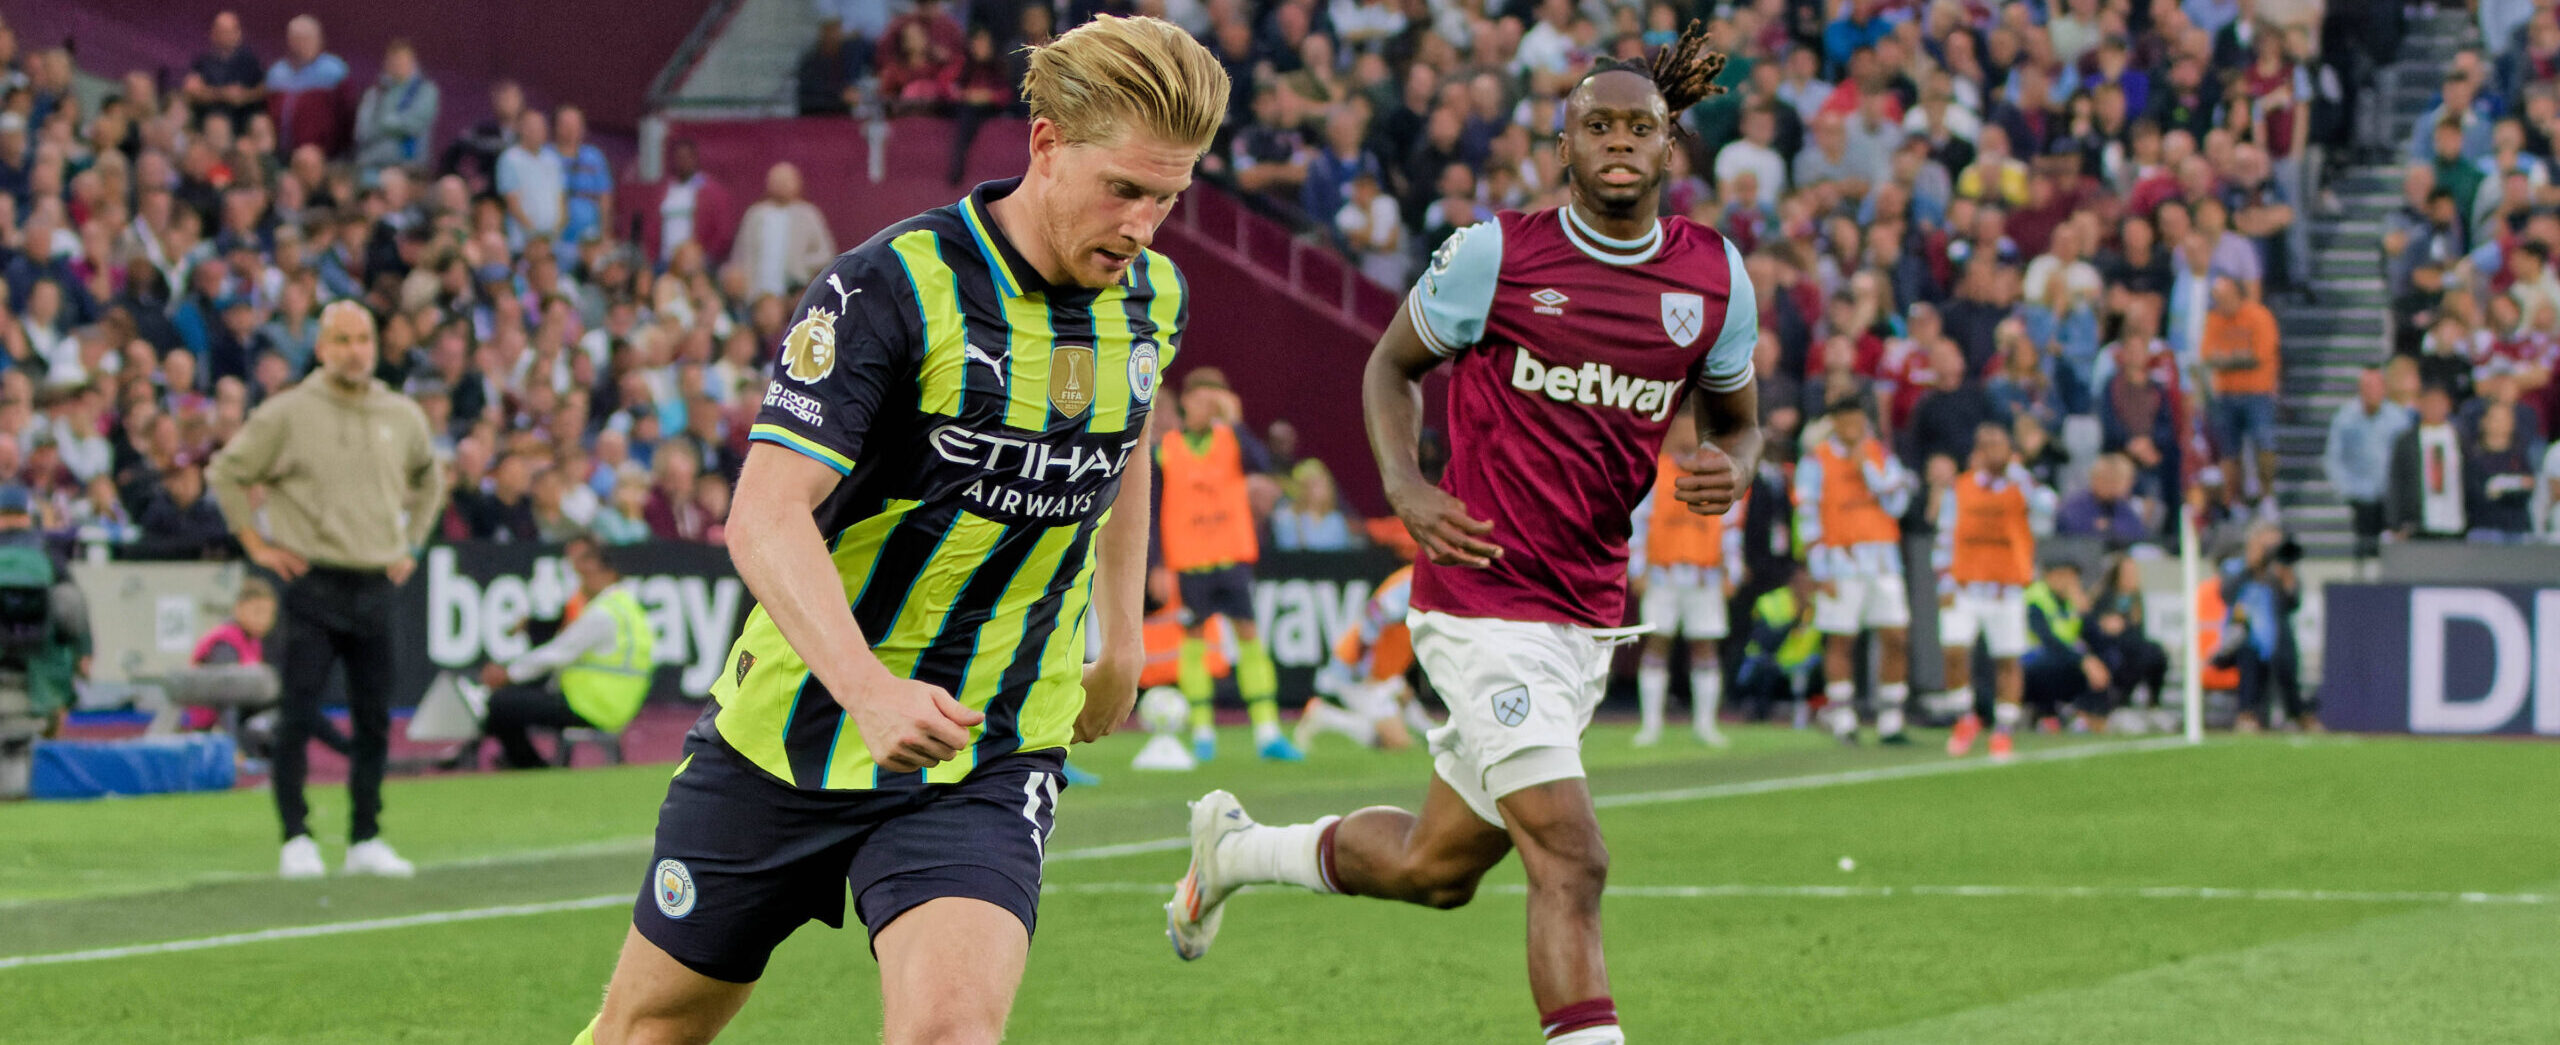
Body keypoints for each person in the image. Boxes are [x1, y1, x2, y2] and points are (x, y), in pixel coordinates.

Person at [570, 16, 1222, 1044]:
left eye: (1168, 197)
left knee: (948, 1032)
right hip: (792, 729)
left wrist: (1122, 626)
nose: (1143, 224)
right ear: (1046, 144)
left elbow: (1125, 436)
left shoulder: (1151, 295)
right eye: (1123, 189)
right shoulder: (889, 287)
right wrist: (866, 689)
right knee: (649, 1031)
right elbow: (764, 513)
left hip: (987, 746)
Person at [1168, 33, 1761, 1045]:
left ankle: (1231, 852)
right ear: (1561, 147)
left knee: (1435, 868)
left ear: (1669, 151)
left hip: (1582, 616)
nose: (1618, 142)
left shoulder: (1713, 277)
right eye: (1596, 126)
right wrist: (1404, 485)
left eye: (1639, 128)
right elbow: (1388, 367)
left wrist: (1732, 466)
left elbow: (1739, 420)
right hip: (1479, 601)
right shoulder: (1497, 254)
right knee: (1572, 858)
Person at [208, 301, 445, 880]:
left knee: (372, 719)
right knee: (298, 712)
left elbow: (430, 477)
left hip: (374, 580)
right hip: (312, 579)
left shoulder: (401, 413)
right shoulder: (287, 412)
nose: (355, 350)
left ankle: (366, 835)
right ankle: (296, 837)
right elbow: (227, 472)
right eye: (341, 339)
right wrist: (256, 545)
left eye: (363, 338)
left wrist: (412, 545)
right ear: (320, 347)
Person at [1156, 367, 1300, 761]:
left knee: (1249, 634)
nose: (1207, 407)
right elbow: (1152, 507)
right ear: (1186, 402)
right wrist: (1156, 561)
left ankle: (1267, 731)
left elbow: (1262, 466)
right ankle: (1202, 733)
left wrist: (1234, 422)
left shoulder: (1231, 440)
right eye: (1201, 399)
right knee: (1194, 641)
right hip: (1189, 561)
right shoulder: (1166, 448)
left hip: (1231, 556)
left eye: (1214, 401)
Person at [462, 537, 653, 770]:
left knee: (500, 703)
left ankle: (529, 765)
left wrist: (507, 674)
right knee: (514, 698)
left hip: (589, 704)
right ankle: (518, 761)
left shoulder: (604, 613)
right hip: (612, 704)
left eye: (587, 575)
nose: (582, 584)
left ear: (610, 574)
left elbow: (558, 652)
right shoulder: (628, 608)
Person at [1798, 395, 1917, 745]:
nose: (1853, 428)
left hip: (1883, 560)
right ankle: (1843, 715)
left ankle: (1891, 718)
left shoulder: (1880, 454)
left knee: (1895, 636)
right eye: (1846, 421)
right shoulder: (1815, 460)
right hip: (1841, 561)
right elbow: (1807, 516)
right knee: (1842, 638)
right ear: (1834, 422)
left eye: (1858, 422)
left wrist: (1869, 468)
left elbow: (1897, 505)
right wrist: (1820, 570)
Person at [1936, 422, 2052, 761]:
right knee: (1954, 650)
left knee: (2007, 658)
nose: (1992, 451)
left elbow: (2048, 510)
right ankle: (1964, 717)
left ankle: (2003, 729)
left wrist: (2019, 473)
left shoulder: (2022, 487)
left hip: (2006, 587)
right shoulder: (1961, 488)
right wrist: (1944, 581)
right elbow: (1945, 534)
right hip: (1965, 585)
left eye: (1998, 444)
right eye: (1985, 444)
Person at [1628, 404, 1743, 747]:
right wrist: (1637, 569)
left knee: (1705, 646)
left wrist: (1731, 571)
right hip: (1663, 573)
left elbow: (1731, 526)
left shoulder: (1718, 474)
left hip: (1704, 574)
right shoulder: (1655, 472)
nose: (1687, 437)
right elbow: (1638, 525)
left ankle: (1705, 725)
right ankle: (1651, 725)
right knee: (1656, 644)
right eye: (1681, 430)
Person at [1297, 563, 1434, 752]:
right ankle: (1326, 716)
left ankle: (1432, 736)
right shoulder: (1412, 583)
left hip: (1385, 671)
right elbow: (1374, 614)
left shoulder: (1423, 577)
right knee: (1398, 744)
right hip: (1361, 671)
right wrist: (1363, 667)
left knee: (1405, 696)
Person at [2199, 274, 2281, 508]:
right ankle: (2234, 501)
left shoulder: (2259, 316)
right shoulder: (2214, 319)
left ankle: (2267, 496)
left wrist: (2227, 359)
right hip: (2226, 393)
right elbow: (2208, 356)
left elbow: (2259, 356)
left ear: (2237, 294)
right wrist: (2237, 358)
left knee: (2265, 442)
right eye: (2216, 298)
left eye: (2223, 298)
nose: (2219, 303)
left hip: (2257, 392)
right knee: (2228, 451)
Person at [2322, 367, 2411, 568]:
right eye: (2367, 386)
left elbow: (2407, 457)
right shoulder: (2345, 418)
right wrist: (2345, 488)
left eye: (2376, 386)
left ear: (2385, 389)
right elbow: (2333, 457)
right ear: (2359, 389)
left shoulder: (2398, 419)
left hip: (2391, 495)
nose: (2372, 392)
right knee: (2363, 549)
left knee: (2394, 550)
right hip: (2360, 495)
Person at [723, 163, 838, 302]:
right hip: (757, 294)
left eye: (786, 181)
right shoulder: (756, 214)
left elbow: (826, 254)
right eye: (777, 181)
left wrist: (801, 265)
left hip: (793, 292)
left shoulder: (808, 214)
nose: (781, 185)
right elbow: (740, 254)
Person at [2019, 559, 2109, 730]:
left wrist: (2085, 613)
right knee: (2056, 662)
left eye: (2072, 577)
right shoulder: (2035, 598)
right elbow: (2047, 639)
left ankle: (2089, 716)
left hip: (2066, 658)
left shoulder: (2071, 601)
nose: (2068, 581)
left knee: (2104, 661)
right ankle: (2047, 713)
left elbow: (2095, 640)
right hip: (2031, 661)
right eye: (2062, 575)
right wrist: (2083, 660)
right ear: (2049, 576)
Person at [2388, 384, 2468, 541]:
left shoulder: (2460, 438)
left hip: (2455, 523)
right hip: (2419, 525)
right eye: (2430, 403)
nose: (2434, 408)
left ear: (2448, 405)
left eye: (2439, 403)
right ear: (2419, 405)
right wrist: (2395, 524)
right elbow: (2396, 482)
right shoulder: (2406, 441)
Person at [353, 40, 440, 177]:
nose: (397, 65)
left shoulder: (426, 91)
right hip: (370, 161)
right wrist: (393, 124)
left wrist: (383, 123)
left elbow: (414, 126)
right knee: (364, 189)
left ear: (412, 63)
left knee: (392, 183)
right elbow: (362, 131)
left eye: (402, 61)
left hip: (407, 165)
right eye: (393, 61)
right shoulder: (374, 93)